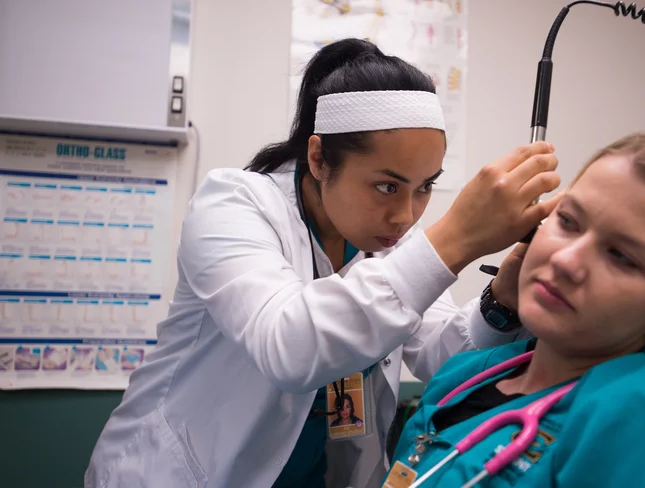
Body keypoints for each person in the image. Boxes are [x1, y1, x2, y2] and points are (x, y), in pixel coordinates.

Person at [84, 38, 562, 488]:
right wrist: (457, 238)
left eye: (425, 187)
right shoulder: (233, 204)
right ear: (318, 158)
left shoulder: (390, 237)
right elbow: (289, 347)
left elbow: (441, 359)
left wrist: (500, 303)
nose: (407, 214)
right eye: (387, 186)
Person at [385, 132, 645, 487]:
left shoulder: (644, 416)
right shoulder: (463, 375)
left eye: (621, 256)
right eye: (568, 221)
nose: (565, 260)